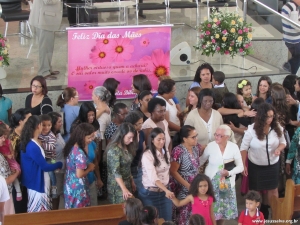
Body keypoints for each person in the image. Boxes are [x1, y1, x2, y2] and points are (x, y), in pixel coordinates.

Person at [240, 103, 286, 219]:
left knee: (273, 190)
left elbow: (283, 142)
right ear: (260, 116)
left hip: (272, 164)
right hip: (256, 165)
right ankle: (252, 218)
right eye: (267, 117)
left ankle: (274, 215)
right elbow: (243, 148)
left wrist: (279, 149)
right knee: (255, 192)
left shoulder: (277, 127)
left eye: (272, 116)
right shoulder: (251, 130)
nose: (270, 119)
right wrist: (243, 165)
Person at [200, 125, 244, 225]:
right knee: (212, 210)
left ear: (227, 137)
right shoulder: (211, 146)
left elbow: (240, 167)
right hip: (211, 183)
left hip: (227, 184)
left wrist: (229, 172)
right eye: (216, 134)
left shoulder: (234, 147)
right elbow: (201, 160)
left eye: (220, 135)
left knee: (223, 212)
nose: (216, 137)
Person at [20, 115, 62, 212]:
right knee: (40, 213)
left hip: (34, 182)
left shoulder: (28, 142)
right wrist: (59, 164)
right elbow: (45, 166)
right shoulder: (32, 146)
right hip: (38, 183)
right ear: (38, 126)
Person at [139, 128, 174, 221]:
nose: (162, 142)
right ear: (152, 140)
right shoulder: (147, 155)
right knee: (152, 221)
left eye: (163, 139)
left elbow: (167, 170)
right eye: (159, 139)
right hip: (150, 194)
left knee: (167, 220)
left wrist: (166, 189)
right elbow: (153, 178)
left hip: (165, 192)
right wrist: (166, 190)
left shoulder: (165, 151)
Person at [169, 125, 202, 225]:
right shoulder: (178, 151)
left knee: (193, 214)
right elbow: (173, 171)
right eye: (193, 137)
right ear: (184, 139)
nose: (196, 139)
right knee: (183, 214)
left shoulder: (196, 148)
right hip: (182, 187)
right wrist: (188, 185)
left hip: (194, 186)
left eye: (196, 136)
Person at [63, 123, 96, 208]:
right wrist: (89, 168)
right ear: (82, 136)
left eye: (92, 137)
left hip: (70, 185)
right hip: (78, 189)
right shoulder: (79, 153)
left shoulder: (72, 147)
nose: (91, 140)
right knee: (80, 214)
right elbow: (79, 174)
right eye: (89, 137)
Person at [28, 0, 62, 80]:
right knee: (44, 47)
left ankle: (47, 69)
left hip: (47, 17)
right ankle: (43, 72)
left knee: (48, 46)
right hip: (43, 19)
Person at [105, 123, 137, 204]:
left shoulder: (127, 146)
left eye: (132, 137)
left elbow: (127, 166)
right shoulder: (114, 150)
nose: (131, 140)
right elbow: (116, 172)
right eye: (129, 137)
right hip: (117, 186)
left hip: (126, 182)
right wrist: (124, 189)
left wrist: (131, 180)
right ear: (122, 135)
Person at [9, 108, 31, 213]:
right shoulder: (13, 139)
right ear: (20, 121)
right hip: (18, 175)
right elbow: (11, 160)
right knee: (20, 205)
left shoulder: (25, 135)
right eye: (29, 119)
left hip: (26, 172)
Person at [0, 125, 20, 216]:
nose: (4, 140)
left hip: (6, 193)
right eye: (1, 137)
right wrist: (16, 174)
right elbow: (4, 181)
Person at [123, 111, 146, 192]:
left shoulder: (141, 133)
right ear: (131, 124)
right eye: (138, 124)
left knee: (140, 192)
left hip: (138, 167)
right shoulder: (125, 136)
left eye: (141, 123)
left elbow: (144, 149)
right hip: (127, 169)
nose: (141, 126)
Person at [48, 112, 66, 210]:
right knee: (55, 195)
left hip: (62, 168)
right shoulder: (49, 139)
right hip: (56, 171)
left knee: (60, 194)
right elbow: (51, 157)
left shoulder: (58, 135)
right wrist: (55, 165)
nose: (61, 123)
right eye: (59, 122)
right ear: (53, 124)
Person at [38, 114, 57, 199]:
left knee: (51, 172)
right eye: (44, 125)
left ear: (51, 125)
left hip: (50, 157)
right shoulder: (38, 134)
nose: (46, 128)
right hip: (43, 157)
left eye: (49, 125)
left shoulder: (51, 136)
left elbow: (51, 147)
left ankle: (54, 189)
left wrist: (41, 143)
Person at [281, 0, 300, 75]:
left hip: (289, 38)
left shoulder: (288, 6)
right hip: (293, 40)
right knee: (297, 57)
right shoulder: (293, 7)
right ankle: (289, 67)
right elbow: (295, 25)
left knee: (297, 57)